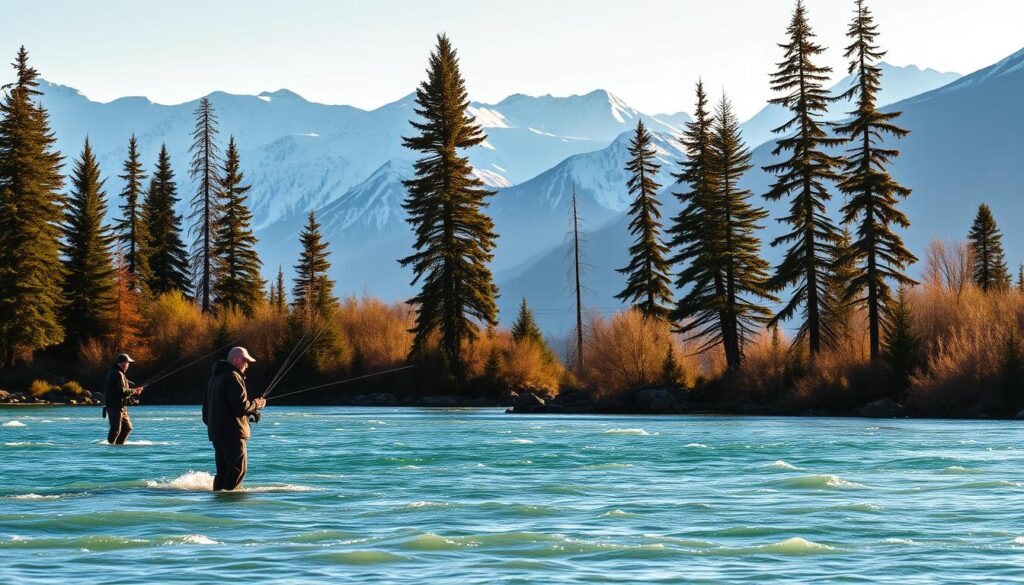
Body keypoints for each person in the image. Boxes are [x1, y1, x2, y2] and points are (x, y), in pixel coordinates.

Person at [203, 346, 265, 491]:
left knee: (223, 472)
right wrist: (258, 404)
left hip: (216, 434)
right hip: (233, 435)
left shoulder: (213, 378)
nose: (247, 365)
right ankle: (230, 506)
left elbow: (207, 412)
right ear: (237, 360)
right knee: (237, 470)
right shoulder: (233, 376)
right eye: (245, 361)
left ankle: (219, 501)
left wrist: (246, 416)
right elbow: (241, 407)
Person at [103, 353, 144, 445]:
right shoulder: (117, 374)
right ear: (123, 363)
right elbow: (121, 392)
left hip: (121, 407)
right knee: (116, 428)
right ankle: (110, 448)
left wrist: (134, 391)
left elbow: (123, 389)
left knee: (127, 427)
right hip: (115, 407)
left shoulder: (119, 373)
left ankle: (118, 446)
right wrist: (134, 391)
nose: (128, 365)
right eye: (128, 363)